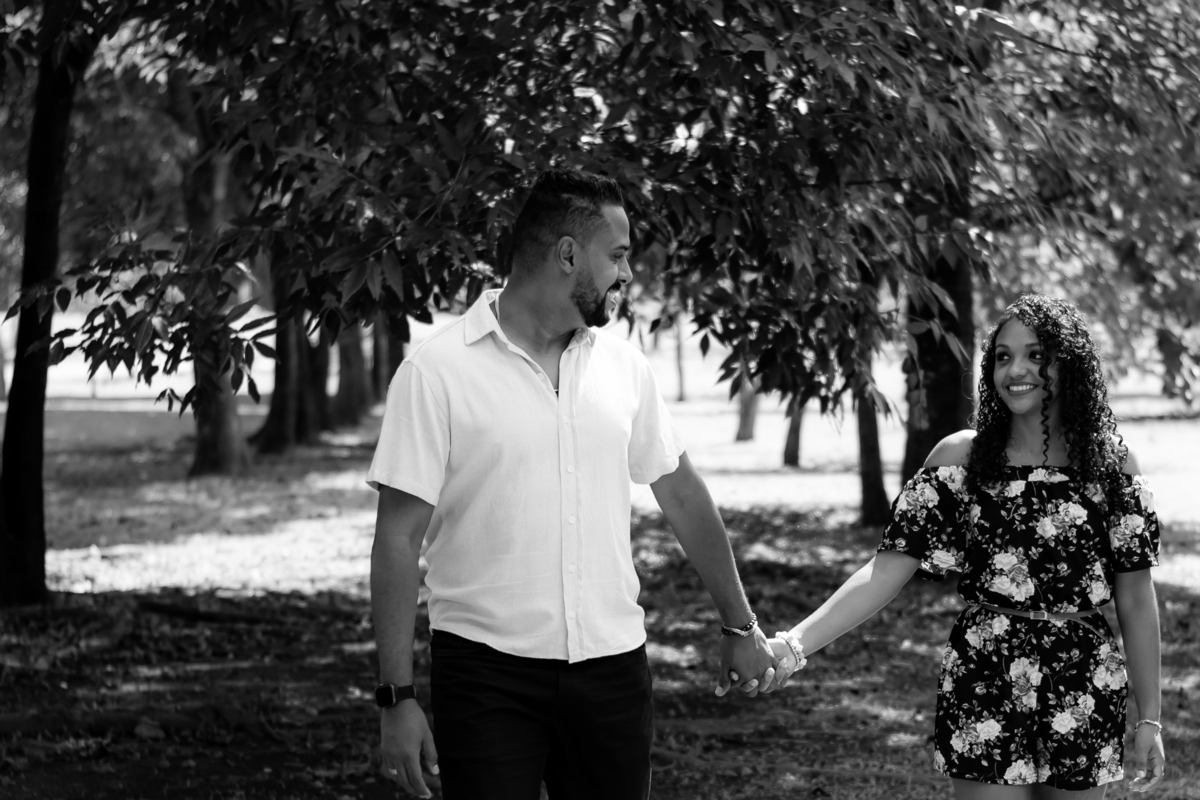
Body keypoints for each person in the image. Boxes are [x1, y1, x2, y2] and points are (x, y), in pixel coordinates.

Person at [367, 167, 777, 800]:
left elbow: (682, 494)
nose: (627, 273)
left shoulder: (624, 367)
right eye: (617, 255)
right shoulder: (435, 372)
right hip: (485, 676)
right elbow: (397, 538)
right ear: (567, 255)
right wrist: (396, 698)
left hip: (612, 672)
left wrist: (740, 625)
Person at [768, 294, 1165, 798]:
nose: (1015, 370)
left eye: (1036, 355)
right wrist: (794, 644)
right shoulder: (960, 459)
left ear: (1070, 364)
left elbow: (1136, 597)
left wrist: (1149, 718)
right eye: (1003, 356)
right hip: (985, 672)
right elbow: (884, 571)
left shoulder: (1112, 467)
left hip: (1085, 677)